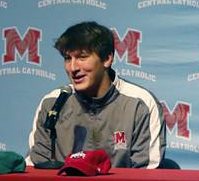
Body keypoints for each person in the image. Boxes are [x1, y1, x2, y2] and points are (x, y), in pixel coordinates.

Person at [27, 21, 165, 168]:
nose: (73, 68)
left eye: (82, 57)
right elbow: (37, 167)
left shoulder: (140, 104)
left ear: (107, 59)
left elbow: (146, 175)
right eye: (68, 58)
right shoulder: (52, 103)